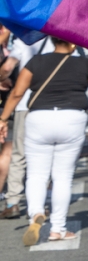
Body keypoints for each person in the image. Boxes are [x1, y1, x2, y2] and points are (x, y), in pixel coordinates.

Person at [0, 39, 88, 245]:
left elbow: (17, 93)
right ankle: (58, 229)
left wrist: (3, 119)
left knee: (36, 174)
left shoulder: (36, 62)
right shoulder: (83, 64)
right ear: (72, 45)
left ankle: (35, 213)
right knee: (62, 177)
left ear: (52, 40)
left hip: (39, 118)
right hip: (71, 119)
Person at [0, 28, 39, 218]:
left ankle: (13, 202)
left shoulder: (24, 41)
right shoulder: (62, 40)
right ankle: (42, 202)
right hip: (54, 104)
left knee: (18, 153)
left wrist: (2, 78)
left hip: (25, 102)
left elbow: (8, 67)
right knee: (45, 155)